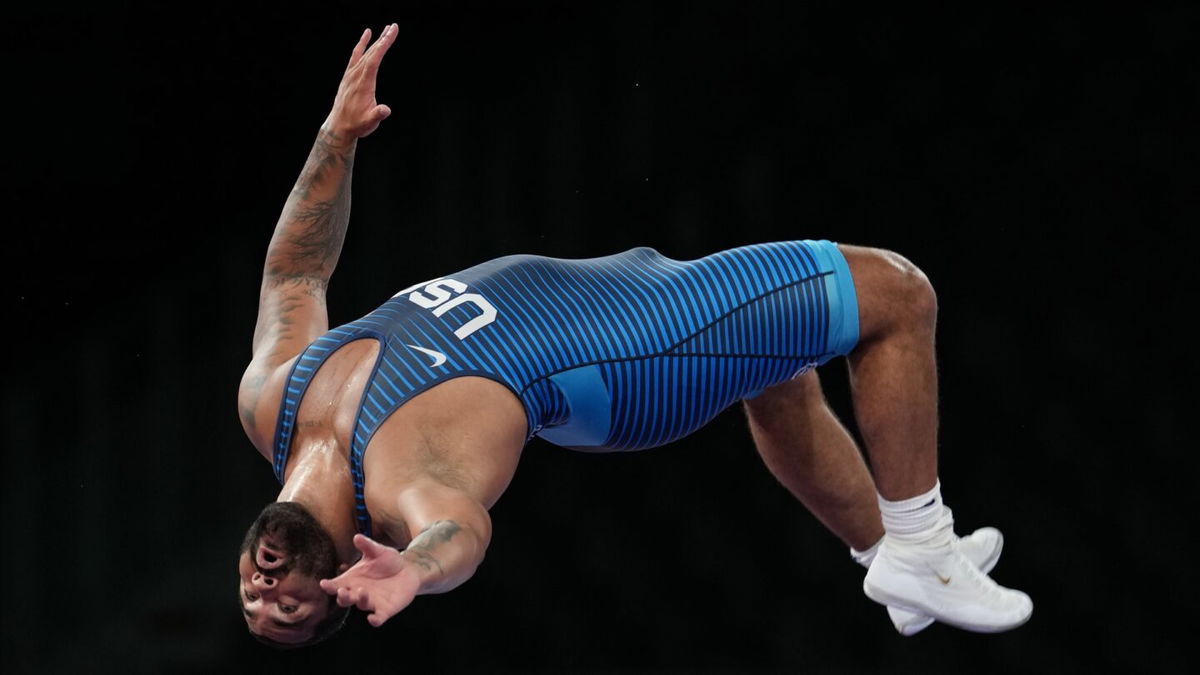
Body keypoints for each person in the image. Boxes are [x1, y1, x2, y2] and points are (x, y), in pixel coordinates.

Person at [235, 24, 1033, 647]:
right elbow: (460, 533)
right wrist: (414, 570)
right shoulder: (408, 490)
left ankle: (883, 560)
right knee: (896, 293)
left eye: (254, 600)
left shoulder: (271, 404)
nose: (265, 595)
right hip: (635, 356)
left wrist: (335, 142)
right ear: (344, 574)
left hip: (607, 292)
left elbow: (295, 276)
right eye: (291, 613)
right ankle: (922, 545)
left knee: (777, 370)